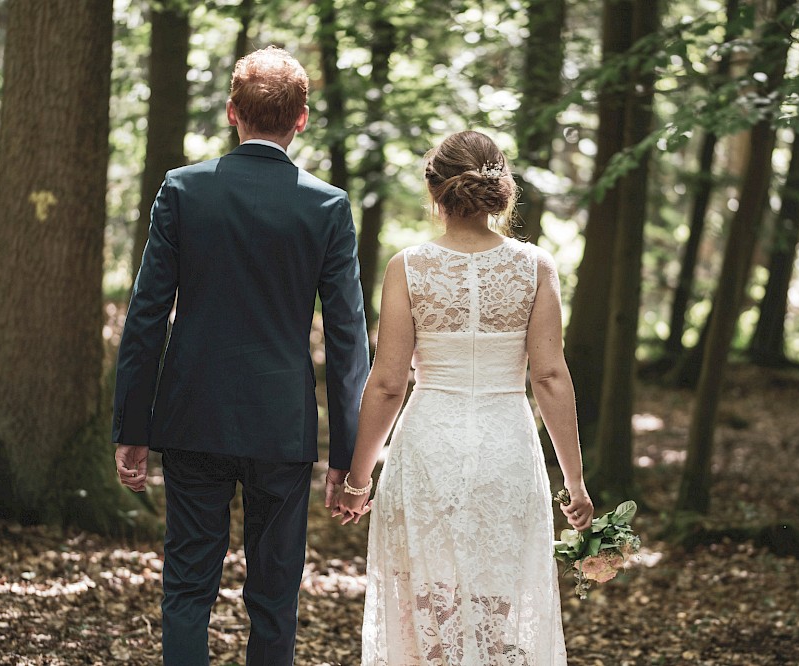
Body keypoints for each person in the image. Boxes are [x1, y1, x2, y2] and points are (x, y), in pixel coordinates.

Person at [112, 46, 370, 666]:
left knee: (186, 590)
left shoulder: (183, 190)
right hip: (281, 427)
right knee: (276, 597)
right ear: (301, 119)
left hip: (192, 414)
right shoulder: (327, 206)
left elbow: (147, 313)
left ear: (233, 112)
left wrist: (132, 427)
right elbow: (347, 337)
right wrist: (347, 455)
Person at [334, 130, 593, 664]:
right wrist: (575, 483)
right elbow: (549, 377)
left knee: (425, 605)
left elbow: (387, 383)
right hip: (507, 450)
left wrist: (359, 481)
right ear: (502, 190)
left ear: (436, 191)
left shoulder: (408, 267)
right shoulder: (536, 267)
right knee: (499, 601)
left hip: (429, 448)